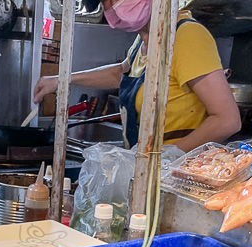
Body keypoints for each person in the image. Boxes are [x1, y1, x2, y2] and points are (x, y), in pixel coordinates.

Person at [33, 0, 241, 152]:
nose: (109, 8)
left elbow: (227, 120)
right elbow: (120, 73)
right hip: (149, 171)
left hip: (179, 174)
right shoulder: (145, 38)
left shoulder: (187, 36)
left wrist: (168, 156)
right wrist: (62, 79)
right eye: (104, 3)